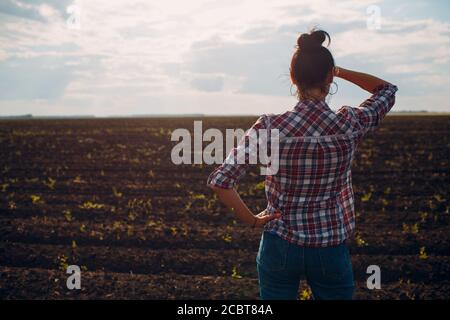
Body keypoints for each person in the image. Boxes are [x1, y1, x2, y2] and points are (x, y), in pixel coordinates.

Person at [206, 29, 398, 300]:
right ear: (329, 77)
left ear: (293, 78)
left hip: (279, 244)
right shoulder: (350, 124)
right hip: (330, 245)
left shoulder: (271, 126)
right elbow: (387, 90)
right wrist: (338, 71)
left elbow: (221, 181)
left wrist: (251, 220)